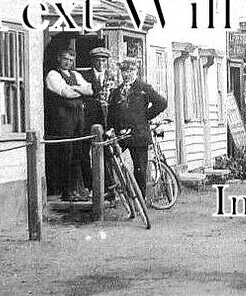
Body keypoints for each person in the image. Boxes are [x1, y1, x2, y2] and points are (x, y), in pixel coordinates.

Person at [107, 57, 168, 196]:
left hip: (138, 134)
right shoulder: (116, 92)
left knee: (139, 168)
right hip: (121, 135)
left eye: (130, 71)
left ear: (136, 71)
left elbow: (162, 103)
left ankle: (141, 198)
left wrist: (145, 116)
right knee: (108, 158)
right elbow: (111, 114)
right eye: (124, 71)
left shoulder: (144, 88)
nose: (127, 74)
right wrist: (110, 128)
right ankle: (114, 194)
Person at [45, 48, 93, 202]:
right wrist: (79, 91)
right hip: (63, 119)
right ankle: (66, 191)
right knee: (66, 153)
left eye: (71, 60)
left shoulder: (76, 74)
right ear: (59, 58)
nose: (68, 62)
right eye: (65, 59)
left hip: (78, 117)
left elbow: (90, 90)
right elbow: (66, 94)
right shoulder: (53, 75)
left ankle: (78, 189)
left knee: (78, 153)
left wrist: (76, 88)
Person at [79, 46, 116, 129]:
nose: (101, 64)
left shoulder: (112, 76)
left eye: (103, 61)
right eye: (97, 61)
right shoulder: (84, 76)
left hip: (108, 116)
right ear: (92, 61)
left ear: (107, 62)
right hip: (90, 116)